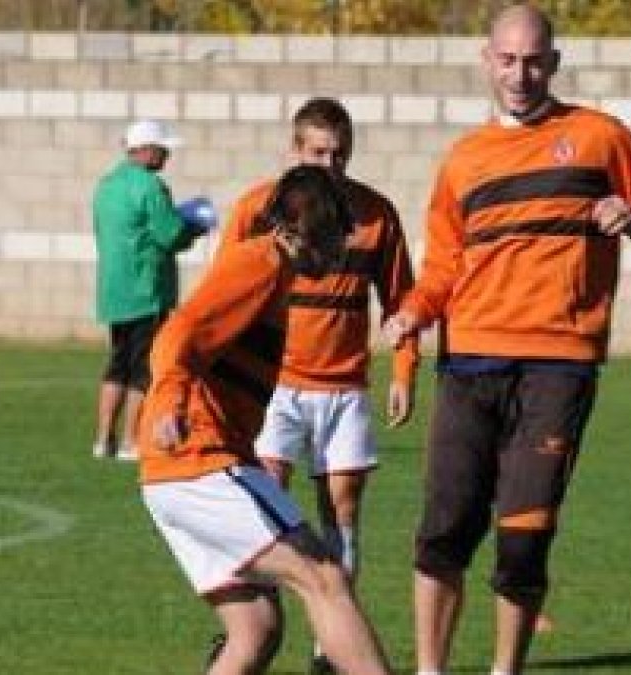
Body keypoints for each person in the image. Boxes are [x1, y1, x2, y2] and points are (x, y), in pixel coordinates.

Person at [381, 4, 631, 673]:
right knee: (444, 531)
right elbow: (444, 267)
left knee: (524, 537)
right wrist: (413, 312)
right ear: (488, 60)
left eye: (535, 60)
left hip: (559, 365)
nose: (521, 74)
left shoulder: (600, 136)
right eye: (508, 60)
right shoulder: (464, 159)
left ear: (555, 61)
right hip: (469, 363)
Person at [138, 165, 394, 675]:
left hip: (191, 468)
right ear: (304, 225)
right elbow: (178, 333)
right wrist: (169, 401)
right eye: (338, 233)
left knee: (255, 627)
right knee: (325, 577)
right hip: (198, 462)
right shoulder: (260, 262)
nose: (344, 249)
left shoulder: (275, 274)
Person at [219, 96, 418, 675]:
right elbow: (225, 294)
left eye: (340, 153)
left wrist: (404, 368)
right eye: (318, 153)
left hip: (344, 388)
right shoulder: (258, 208)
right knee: (265, 509)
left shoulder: (375, 213)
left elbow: (401, 298)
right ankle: (251, 634)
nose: (331, 165)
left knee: (342, 513)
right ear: (294, 151)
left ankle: (329, 650)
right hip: (274, 386)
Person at [91, 120, 204, 461]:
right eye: (163, 149)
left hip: (114, 290)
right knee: (143, 368)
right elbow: (169, 235)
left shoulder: (106, 185)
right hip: (146, 290)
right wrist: (194, 228)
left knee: (117, 364)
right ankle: (130, 441)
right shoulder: (152, 187)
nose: (167, 154)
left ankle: (102, 440)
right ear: (147, 150)